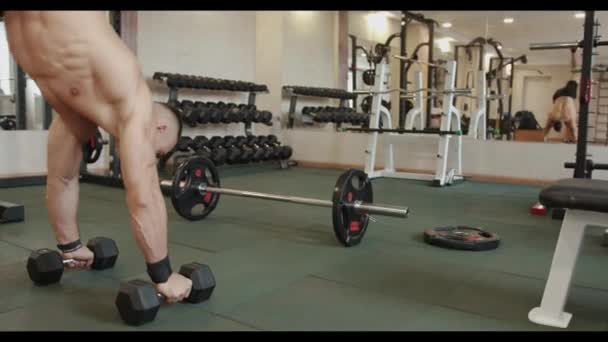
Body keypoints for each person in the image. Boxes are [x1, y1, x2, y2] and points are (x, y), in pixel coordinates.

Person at [2, 11, 192, 303]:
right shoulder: (135, 98)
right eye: (160, 151)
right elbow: (144, 195)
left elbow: (62, 178)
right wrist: (163, 275)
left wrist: (71, 247)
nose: (153, 156)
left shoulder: (78, 111)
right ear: (161, 126)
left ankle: (71, 246)